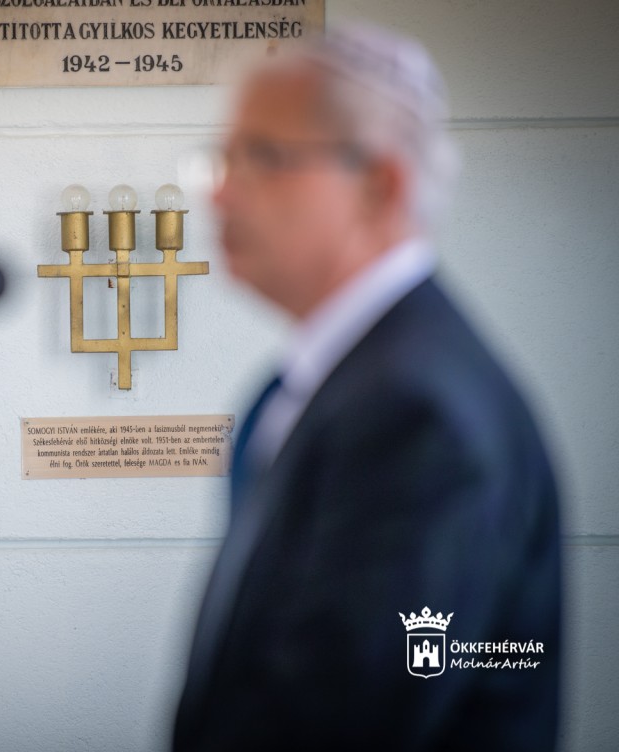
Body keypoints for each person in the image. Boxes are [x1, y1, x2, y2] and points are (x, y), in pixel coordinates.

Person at [172, 23, 562, 751]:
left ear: (380, 185)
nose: (219, 193)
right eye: (221, 159)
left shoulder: (416, 414)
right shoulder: (323, 382)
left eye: (263, 156)